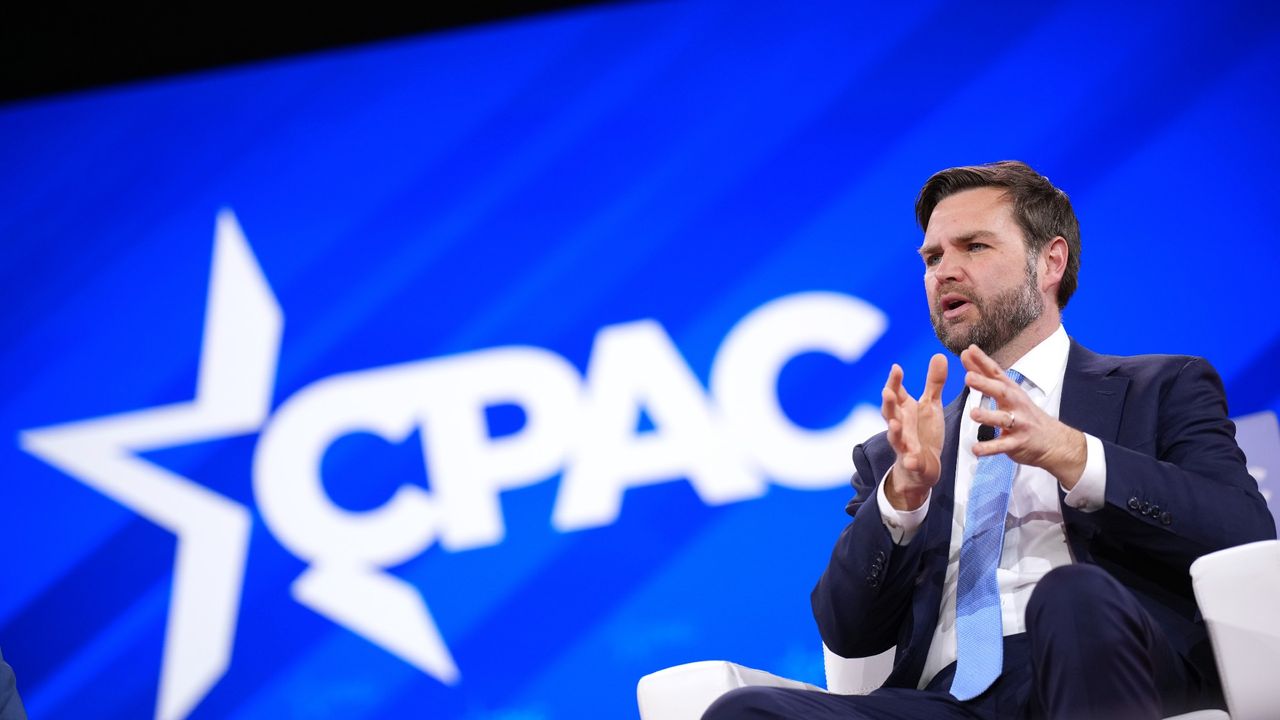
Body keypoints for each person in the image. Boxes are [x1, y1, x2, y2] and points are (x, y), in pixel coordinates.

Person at [703, 161, 1276, 719]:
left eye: (974, 247)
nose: (943, 271)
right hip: (952, 699)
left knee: (1071, 596)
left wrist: (1075, 454)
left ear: (1050, 262)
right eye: (932, 257)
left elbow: (1242, 531)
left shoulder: (1161, 387)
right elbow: (847, 633)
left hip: (1111, 661)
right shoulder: (894, 454)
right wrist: (902, 499)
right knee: (742, 710)